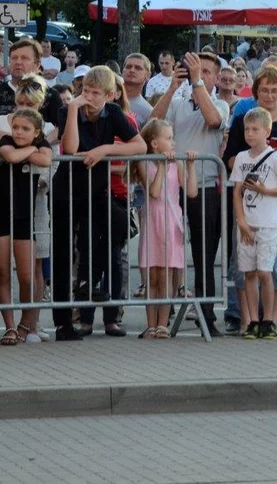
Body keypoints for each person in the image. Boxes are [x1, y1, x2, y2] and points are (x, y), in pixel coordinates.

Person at [52, 66, 146, 340]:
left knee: (118, 227)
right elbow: (69, 148)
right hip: (67, 191)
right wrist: (72, 110)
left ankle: (87, 282)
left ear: (109, 96)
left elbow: (139, 145)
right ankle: (63, 322)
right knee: (63, 253)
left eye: (96, 93)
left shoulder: (113, 113)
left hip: (97, 191)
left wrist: (105, 149)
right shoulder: (68, 111)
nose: (89, 98)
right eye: (86, 91)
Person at [223, 66, 277, 334]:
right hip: (248, 202)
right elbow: (230, 159)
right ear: (256, 91)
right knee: (245, 263)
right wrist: (254, 154)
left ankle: (272, 318)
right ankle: (245, 319)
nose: (270, 95)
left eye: (275, 90)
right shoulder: (242, 120)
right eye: (264, 90)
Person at [148, 52, 228, 335]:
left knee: (204, 254)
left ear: (217, 78)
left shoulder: (220, 104)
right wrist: (172, 87)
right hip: (170, 187)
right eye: (197, 70)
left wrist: (196, 83)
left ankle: (206, 315)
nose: (201, 75)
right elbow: (151, 126)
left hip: (203, 187)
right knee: (167, 252)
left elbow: (213, 120)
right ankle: (162, 315)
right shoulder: (178, 103)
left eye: (207, 71)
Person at [230, 107, 277, 341]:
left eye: (255, 129)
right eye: (247, 129)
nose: (250, 133)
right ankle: (253, 321)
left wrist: (265, 190)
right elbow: (237, 192)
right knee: (248, 273)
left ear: (266, 131)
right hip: (247, 223)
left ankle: (268, 319)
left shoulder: (275, 157)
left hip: (268, 223)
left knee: (265, 272)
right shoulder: (241, 158)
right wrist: (241, 221)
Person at [0, 108, 52, 345]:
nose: (18, 132)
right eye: (15, 127)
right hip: (2, 212)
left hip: (25, 215)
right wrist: (30, 150)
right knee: (2, 272)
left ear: (37, 131)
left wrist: (31, 151)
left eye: (25, 129)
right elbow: (11, 157)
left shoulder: (43, 143)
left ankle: (27, 323)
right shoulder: (7, 140)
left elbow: (46, 159)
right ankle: (9, 326)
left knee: (27, 276)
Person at [135, 119, 197, 340]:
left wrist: (189, 165)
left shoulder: (177, 163)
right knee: (152, 274)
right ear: (154, 143)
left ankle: (163, 323)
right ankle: (151, 324)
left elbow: (190, 192)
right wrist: (161, 166)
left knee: (167, 273)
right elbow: (153, 192)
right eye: (168, 138)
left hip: (171, 220)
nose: (173, 143)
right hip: (153, 218)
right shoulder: (145, 162)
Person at [0, 38, 63, 125]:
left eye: (24, 58)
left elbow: (59, 132)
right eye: (14, 58)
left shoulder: (51, 96)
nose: (18, 62)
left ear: (37, 64)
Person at [121, 53, 154, 127]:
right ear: (123, 71)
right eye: (128, 67)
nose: (132, 70)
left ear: (148, 75)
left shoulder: (148, 111)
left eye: (138, 68)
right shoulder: (107, 98)